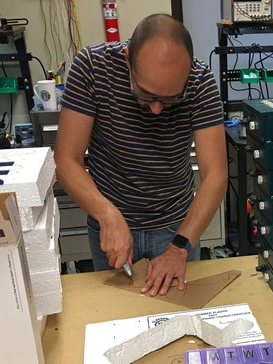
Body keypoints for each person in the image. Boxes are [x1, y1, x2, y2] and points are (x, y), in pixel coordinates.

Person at [54, 14, 227, 297]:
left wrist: (180, 247)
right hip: (109, 227)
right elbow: (65, 160)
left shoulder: (200, 81)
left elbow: (216, 175)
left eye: (171, 99)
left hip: (176, 227)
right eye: (145, 95)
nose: (157, 109)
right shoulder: (93, 67)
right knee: (117, 318)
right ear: (127, 59)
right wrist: (106, 214)